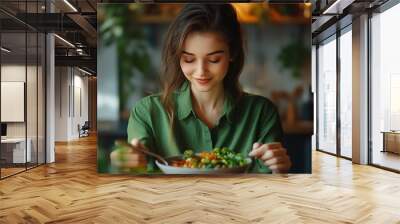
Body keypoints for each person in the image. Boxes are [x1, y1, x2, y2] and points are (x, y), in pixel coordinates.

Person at [124, 4, 291, 173]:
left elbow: (269, 189)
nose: (201, 72)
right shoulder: (148, 112)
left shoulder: (261, 113)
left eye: (214, 59)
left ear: (232, 53)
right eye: (189, 60)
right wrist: (128, 163)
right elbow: (136, 175)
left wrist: (278, 170)